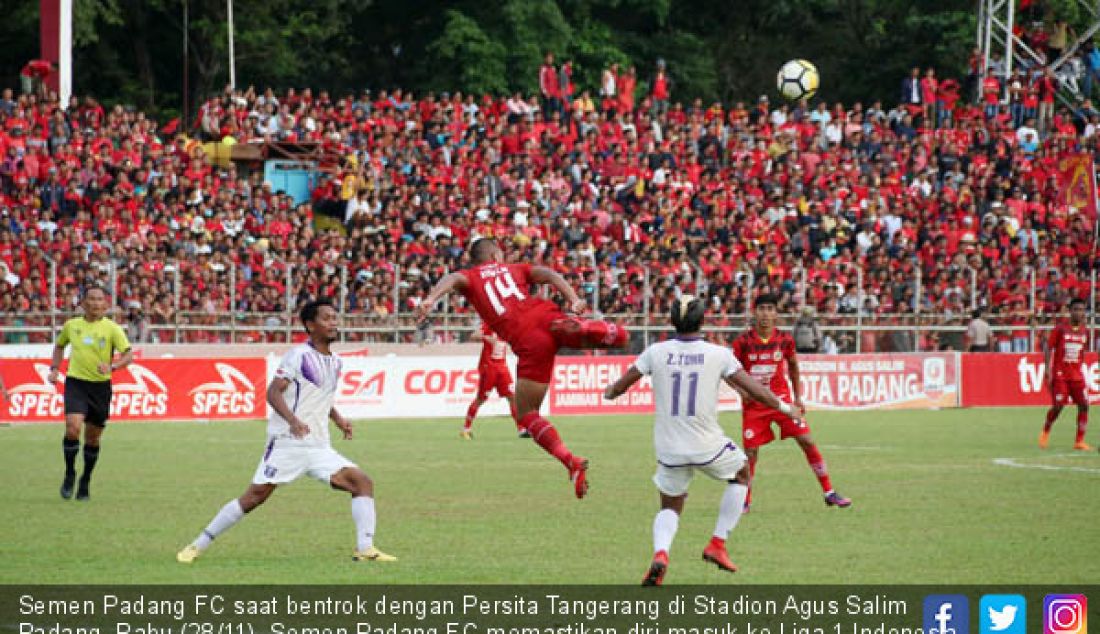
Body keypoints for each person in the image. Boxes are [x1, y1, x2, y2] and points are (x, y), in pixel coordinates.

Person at [176, 299, 396, 563]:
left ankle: (365, 549)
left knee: (362, 482)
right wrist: (293, 421)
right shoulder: (298, 356)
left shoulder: (336, 361)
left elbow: (320, 397)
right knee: (254, 497)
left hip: (318, 446)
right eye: (326, 318)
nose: (333, 323)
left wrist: (338, 418)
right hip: (288, 444)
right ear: (310, 325)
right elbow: (273, 392)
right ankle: (196, 546)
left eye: (334, 318)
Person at [604, 295, 803, 585]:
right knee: (742, 472)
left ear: (672, 320)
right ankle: (717, 544)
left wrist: (610, 391)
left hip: (669, 447)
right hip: (707, 444)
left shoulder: (655, 351)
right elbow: (757, 391)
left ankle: (661, 554)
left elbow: (620, 387)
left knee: (670, 506)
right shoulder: (718, 354)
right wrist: (787, 408)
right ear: (703, 320)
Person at [415, 238, 629, 499]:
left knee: (527, 414)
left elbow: (451, 278)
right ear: (495, 255)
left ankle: (570, 460)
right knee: (614, 337)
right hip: (547, 316)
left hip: (528, 342)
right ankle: (587, 327)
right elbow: (549, 274)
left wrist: (430, 299)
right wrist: (572, 298)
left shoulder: (469, 276)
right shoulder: (516, 269)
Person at [732, 294, 851, 511]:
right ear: (754, 312)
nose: (765, 313)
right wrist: (741, 391)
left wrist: (797, 397)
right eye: (761, 308)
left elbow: (794, 367)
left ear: (776, 313)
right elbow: (729, 373)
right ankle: (745, 501)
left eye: (770, 308)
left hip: (781, 402)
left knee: (806, 439)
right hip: (754, 406)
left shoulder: (785, 340)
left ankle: (829, 492)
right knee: (750, 453)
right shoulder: (742, 342)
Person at [47, 286, 133, 501]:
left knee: (93, 438)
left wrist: (113, 367)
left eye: (100, 300)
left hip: (100, 388)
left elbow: (128, 355)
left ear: (106, 304)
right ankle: (69, 473)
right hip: (76, 383)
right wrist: (55, 368)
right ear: (83, 303)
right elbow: (59, 346)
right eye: (91, 299)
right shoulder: (72, 326)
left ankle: (85, 479)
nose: (95, 303)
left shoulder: (112, 329)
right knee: (73, 427)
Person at [1040, 298, 1092, 451]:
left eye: (1081, 310)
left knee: (1084, 406)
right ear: (1070, 311)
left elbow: (1082, 352)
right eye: (1075, 309)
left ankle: (1079, 441)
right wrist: (1048, 369)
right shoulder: (1060, 329)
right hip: (1061, 375)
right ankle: (1046, 431)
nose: (1078, 313)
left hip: (1077, 376)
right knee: (1058, 406)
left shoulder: (1084, 331)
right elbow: (1048, 348)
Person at [462, 322, 527, 440]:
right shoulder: (489, 325)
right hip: (489, 367)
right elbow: (473, 336)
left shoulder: (507, 326)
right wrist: (486, 338)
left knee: (512, 397)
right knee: (481, 399)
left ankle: (521, 429)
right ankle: (466, 428)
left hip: (502, 367)